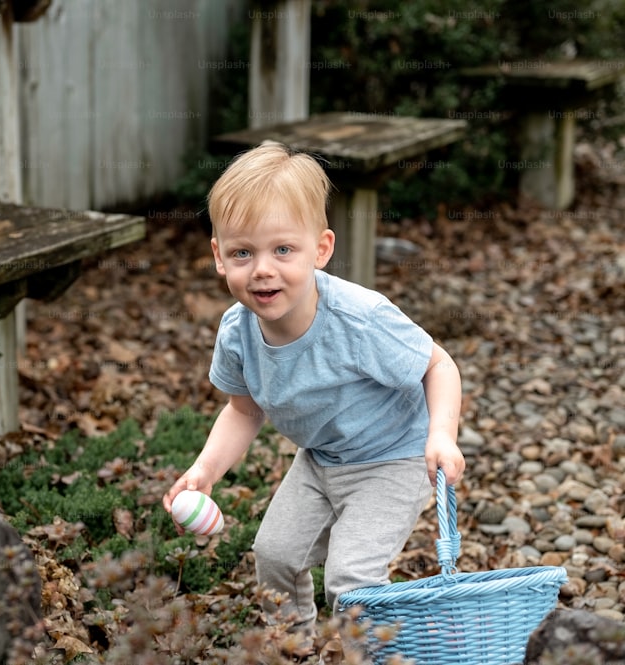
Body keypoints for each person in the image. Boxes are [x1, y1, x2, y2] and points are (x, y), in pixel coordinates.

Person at [161, 142, 466, 638]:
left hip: (393, 457)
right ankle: (293, 644)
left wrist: (442, 435)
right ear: (219, 257)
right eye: (243, 252)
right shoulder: (237, 332)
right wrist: (205, 469)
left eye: (283, 249)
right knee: (274, 555)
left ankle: (370, 652)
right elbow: (243, 411)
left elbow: (438, 364)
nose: (262, 268)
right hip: (321, 459)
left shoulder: (359, 319)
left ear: (321, 249)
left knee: (350, 581)